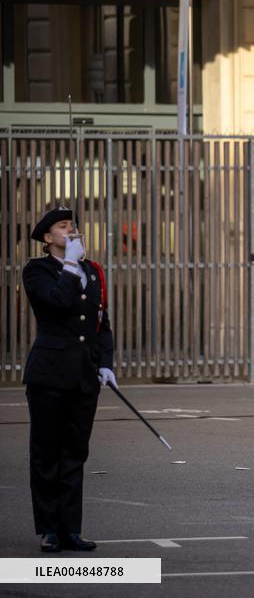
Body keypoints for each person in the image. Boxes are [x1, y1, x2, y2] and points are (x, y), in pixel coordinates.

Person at [22, 206, 115, 553]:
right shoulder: (37, 270)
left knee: (75, 454)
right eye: (63, 227)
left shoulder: (93, 271)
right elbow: (58, 303)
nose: (72, 230)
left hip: (83, 375)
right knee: (47, 453)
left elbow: (100, 322)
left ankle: (70, 529)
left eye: (73, 225)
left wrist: (106, 363)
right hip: (49, 374)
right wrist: (71, 265)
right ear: (48, 238)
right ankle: (49, 529)